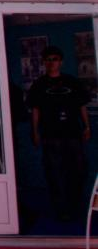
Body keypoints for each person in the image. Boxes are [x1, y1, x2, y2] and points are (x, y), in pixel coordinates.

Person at [27, 46, 92, 221]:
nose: (51, 63)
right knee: (54, 173)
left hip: (73, 134)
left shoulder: (72, 82)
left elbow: (82, 106)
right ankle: (61, 210)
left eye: (54, 59)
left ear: (61, 62)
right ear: (44, 62)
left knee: (77, 170)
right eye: (48, 59)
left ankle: (75, 206)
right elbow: (35, 110)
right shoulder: (39, 85)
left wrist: (87, 127)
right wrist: (35, 132)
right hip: (50, 136)